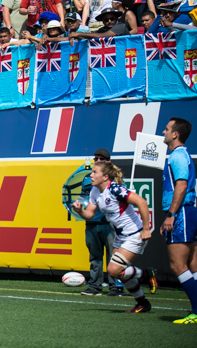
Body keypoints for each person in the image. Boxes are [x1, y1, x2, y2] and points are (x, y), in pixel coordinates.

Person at [71, 161, 157, 314]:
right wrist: (79, 211)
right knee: (119, 273)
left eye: (95, 172)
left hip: (134, 234)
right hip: (120, 235)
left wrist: (146, 229)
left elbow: (142, 202)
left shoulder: (115, 190)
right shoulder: (95, 191)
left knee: (114, 270)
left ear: (105, 177)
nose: (91, 175)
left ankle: (145, 274)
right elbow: (90, 215)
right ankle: (142, 303)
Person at [160, 117, 197, 324]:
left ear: (175, 134)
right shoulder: (181, 155)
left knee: (178, 266)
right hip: (188, 211)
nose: (163, 132)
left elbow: (181, 186)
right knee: (193, 266)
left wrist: (172, 215)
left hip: (181, 212)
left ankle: (196, 311)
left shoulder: (177, 156)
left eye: (166, 129)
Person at [79, 149, 123, 296]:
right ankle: (95, 286)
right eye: (96, 158)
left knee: (113, 256)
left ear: (108, 161)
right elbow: (84, 196)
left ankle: (115, 286)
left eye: (101, 158)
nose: (97, 160)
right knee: (94, 256)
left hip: (109, 224)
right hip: (92, 222)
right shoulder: (88, 178)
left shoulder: (115, 180)